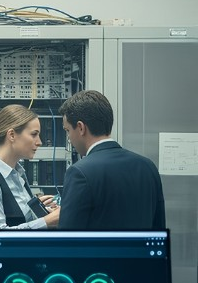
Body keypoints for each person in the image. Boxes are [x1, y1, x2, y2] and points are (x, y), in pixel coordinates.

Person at [57, 90, 165, 230]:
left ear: (80, 127)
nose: (69, 138)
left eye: (67, 131)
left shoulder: (79, 172)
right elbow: (158, 228)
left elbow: (68, 238)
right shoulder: (147, 166)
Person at [0, 104, 60, 229]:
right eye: (34, 134)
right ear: (11, 135)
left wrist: (38, 210)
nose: (39, 142)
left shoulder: (18, 174)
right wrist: (47, 221)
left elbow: (20, 220)